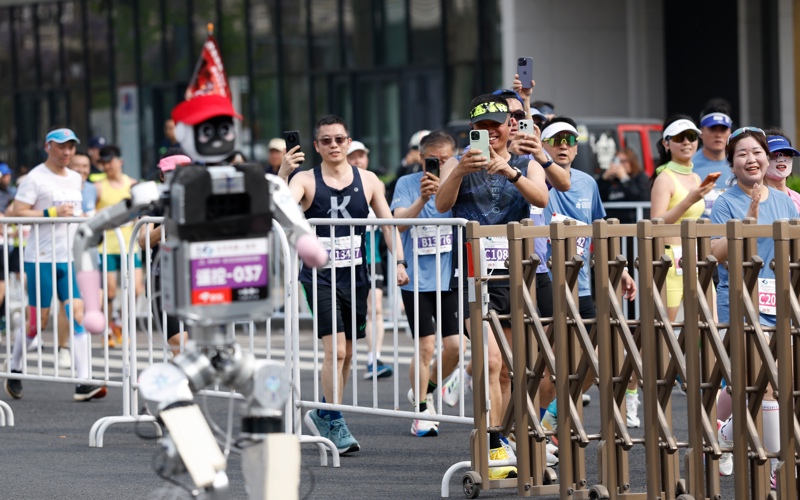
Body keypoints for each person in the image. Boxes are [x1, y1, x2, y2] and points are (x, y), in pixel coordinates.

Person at [436, 94, 562, 479]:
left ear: (510, 126)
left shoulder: (526, 160)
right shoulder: (459, 163)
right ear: (472, 131)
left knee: (511, 368)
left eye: (496, 126)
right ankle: (491, 444)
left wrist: (510, 171)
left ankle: (509, 439)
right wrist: (458, 171)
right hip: (475, 274)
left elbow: (541, 197)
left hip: (517, 272)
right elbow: (442, 205)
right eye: (482, 128)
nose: (490, 134)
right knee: (490, 360)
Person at [280, 115, 409, 455]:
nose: (334, 145)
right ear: (316, 146)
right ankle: (334, 418)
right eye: (326, 140)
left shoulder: (368, 181)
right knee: (335, 350)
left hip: (356, 274)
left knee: (349, 352)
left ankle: (324, 411)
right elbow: (280, 211)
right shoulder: (304, 180)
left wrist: (398, 261)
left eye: (339, 139)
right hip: (319, 275)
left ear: (349, 142)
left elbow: (386, 224)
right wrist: (282, 174)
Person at [539, 116, 637, 434]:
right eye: (556, 140)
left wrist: (618, 270)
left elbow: (598, 231)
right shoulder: (533, 176)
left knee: (598, 361)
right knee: (549, 366)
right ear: (543, 145)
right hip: (544, 284)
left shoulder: (587, 182)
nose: (564, 146)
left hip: (581, 287)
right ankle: (542, 436)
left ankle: (551, 417)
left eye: (569, 141)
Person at [711, 127, 796, 487]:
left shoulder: (784, 201)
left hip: (779, 299)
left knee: (773, 385)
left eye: (757, 152)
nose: (752, 159)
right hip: (741, 301)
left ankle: (729, 432)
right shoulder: (725, 202)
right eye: (742, 154)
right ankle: (779, 468)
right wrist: (749, 216)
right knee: (768, 384)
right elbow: (715, 253)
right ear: (732, 163)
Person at [3, 128, 106, 401]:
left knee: (78, 314)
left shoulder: (75, 178)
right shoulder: (35, 178)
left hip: (68, 256)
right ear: (48, 146)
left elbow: (76, 212)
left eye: (71, 147)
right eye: (62, 147)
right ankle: (14, 368)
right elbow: (17, 213)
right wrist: (50, 212)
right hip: (40, 258)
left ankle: (83, 381)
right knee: (39, 321)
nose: (67, 152)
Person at [391, 130, 466, 437]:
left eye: (445, 160)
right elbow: (399, 221)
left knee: (455, 347)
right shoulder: (407, 184)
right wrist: (423, 197)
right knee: (425, 346)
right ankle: (421, 410)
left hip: (448, 277)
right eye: (431, 161)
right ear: (420, 159)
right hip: (417, 282)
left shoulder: (460, 184)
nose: (436, 166)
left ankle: (428, 386)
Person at [650, 115, 715, 323]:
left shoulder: (695, 177)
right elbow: (655, 223)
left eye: (690, 136)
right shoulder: (664, 178)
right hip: (670, 261)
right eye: (679, 138)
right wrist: (689, 200)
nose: (686, 142)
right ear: (666, 143)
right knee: (664, 329)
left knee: (708, 324)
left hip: (695, 257)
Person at [138, 152, 193, 355]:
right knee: (181, 344)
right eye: (172, 172)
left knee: (194, 349)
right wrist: (167, 229)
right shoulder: (154, 202)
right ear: (162, 175)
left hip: (196, 277)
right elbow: (143, 240)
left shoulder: (200, 199)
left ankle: (180, 383)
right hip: (163, 280)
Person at [346, 140, 392, 379]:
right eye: (353, 156)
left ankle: (374, 358)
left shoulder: (373, 182)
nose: (357, 160)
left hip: (372, 257)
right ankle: (348, 353)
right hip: (346, 258)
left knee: (375, 307)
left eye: (361, 156)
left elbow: (387, 222)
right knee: (355, 310)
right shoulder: (341, 184)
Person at [95, 145, 144, 348]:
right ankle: (107, 330)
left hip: (129, 245)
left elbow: (141, 212)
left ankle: (121, 324)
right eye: (103, 162)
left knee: (136, 289)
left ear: (120, 161)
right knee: (110, 292)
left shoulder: (132, 185)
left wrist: (143, 231)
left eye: (110, 161)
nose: (107, 166)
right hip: (106, 246)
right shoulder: (98, 187)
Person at [692, 99, 734, 217]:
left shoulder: (739, 163)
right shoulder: (689, 165)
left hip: (733, 231)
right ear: (701, 132)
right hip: (698, 232)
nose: (718, 135)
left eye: (723, 129)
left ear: (730, 131)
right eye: (713, 129)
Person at [597, 148, 651, 222]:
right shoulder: (611, 180)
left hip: (633, 223)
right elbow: (598, 199)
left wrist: (624, 179)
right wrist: (604, 179)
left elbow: (638, 197)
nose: (620, 165)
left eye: (623, 161)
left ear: (632, 162)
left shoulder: (640, 177)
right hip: (612, 224)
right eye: (617, 161)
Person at [762, 130, 800, 212]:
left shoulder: (798, 199)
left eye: (787, 153)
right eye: (774, 154)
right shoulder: (755, 198)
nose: (781, 159)